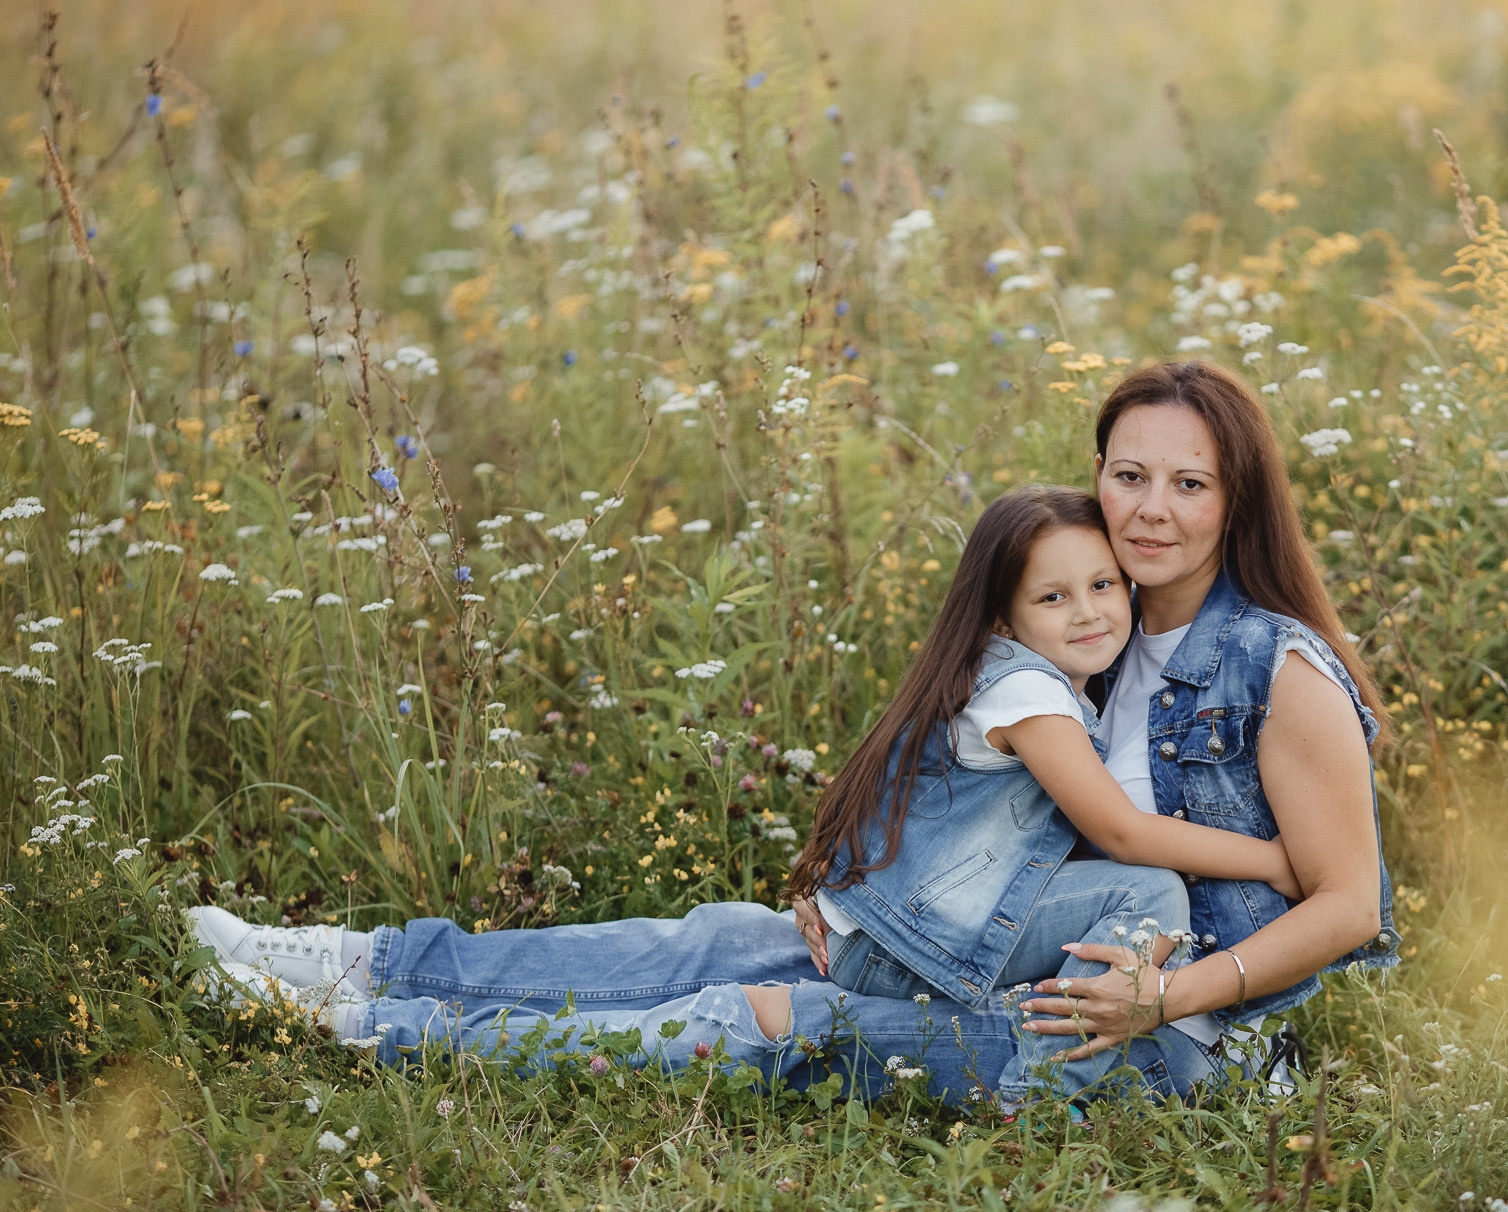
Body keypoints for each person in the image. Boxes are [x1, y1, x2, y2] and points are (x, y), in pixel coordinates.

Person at [188, 359, 1396, 1106]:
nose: (1150, 509)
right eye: (1129, 475)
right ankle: (359, 957)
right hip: (1003, 951)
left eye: (1188, 484)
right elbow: (990, 808)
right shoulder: (1097, 626)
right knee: (725, 940)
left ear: (1234, 498)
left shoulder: (1278, 668)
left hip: (1158, 1033)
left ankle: (364, 1031)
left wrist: (1162, 997)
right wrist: (867, 879)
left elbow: (1346, 904)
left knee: (761, 1016)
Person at [782, 483, 1300, 1103]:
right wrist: (1273, 860)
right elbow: (1120, 832)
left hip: (883, 927)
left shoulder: (1009, 673)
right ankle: (1039, 1096)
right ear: (1003, 616)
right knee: (1149, 893)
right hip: (896, 947)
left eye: (1102, 585)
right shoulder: (1028, 692)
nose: (1086, 612)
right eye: (1053, 597)